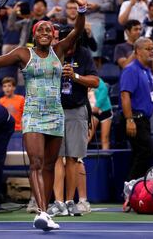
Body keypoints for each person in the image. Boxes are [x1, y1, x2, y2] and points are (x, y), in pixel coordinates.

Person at [0, 0, 87, 231]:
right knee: (37, 163)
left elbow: (78, 31)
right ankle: (41, 212)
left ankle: (45, 210)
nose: (45, 32)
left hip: (55, 115)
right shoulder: (22, 54)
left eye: (49, 30)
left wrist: (81, 7)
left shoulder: (59, 51)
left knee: (50, 165)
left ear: (53, 36)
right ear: (34, 34)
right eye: (41, 29)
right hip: (33, 115)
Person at [48, 28, 99, 217]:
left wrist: (75, 76)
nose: (68, 45)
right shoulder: (51, 53)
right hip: (54, 110)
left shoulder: (83, 54)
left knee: (72, 157)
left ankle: (70, 202)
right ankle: (58, 202)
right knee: (56, 158)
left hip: (76, 110)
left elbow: (95, 81)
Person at [120, 37, 153, 180]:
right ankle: (130, 188)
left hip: (145, 120)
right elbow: (125, 96)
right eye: (148, 49)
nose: (152, 52)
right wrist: (129, 119)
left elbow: (152, 99)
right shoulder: (131, 70)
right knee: (145, 152)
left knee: (141, 155)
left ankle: (134, 190)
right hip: (135, 119)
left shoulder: (148, 71)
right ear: (137, 52)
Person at [88, 77, 113, 150]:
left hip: (105, 111)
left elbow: (104, 90)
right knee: (87, 137)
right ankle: (78, 158)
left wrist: (97, 106)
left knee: (105, 139)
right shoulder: (81, 80)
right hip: (92, 113)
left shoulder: (97, 80)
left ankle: (105, 160)